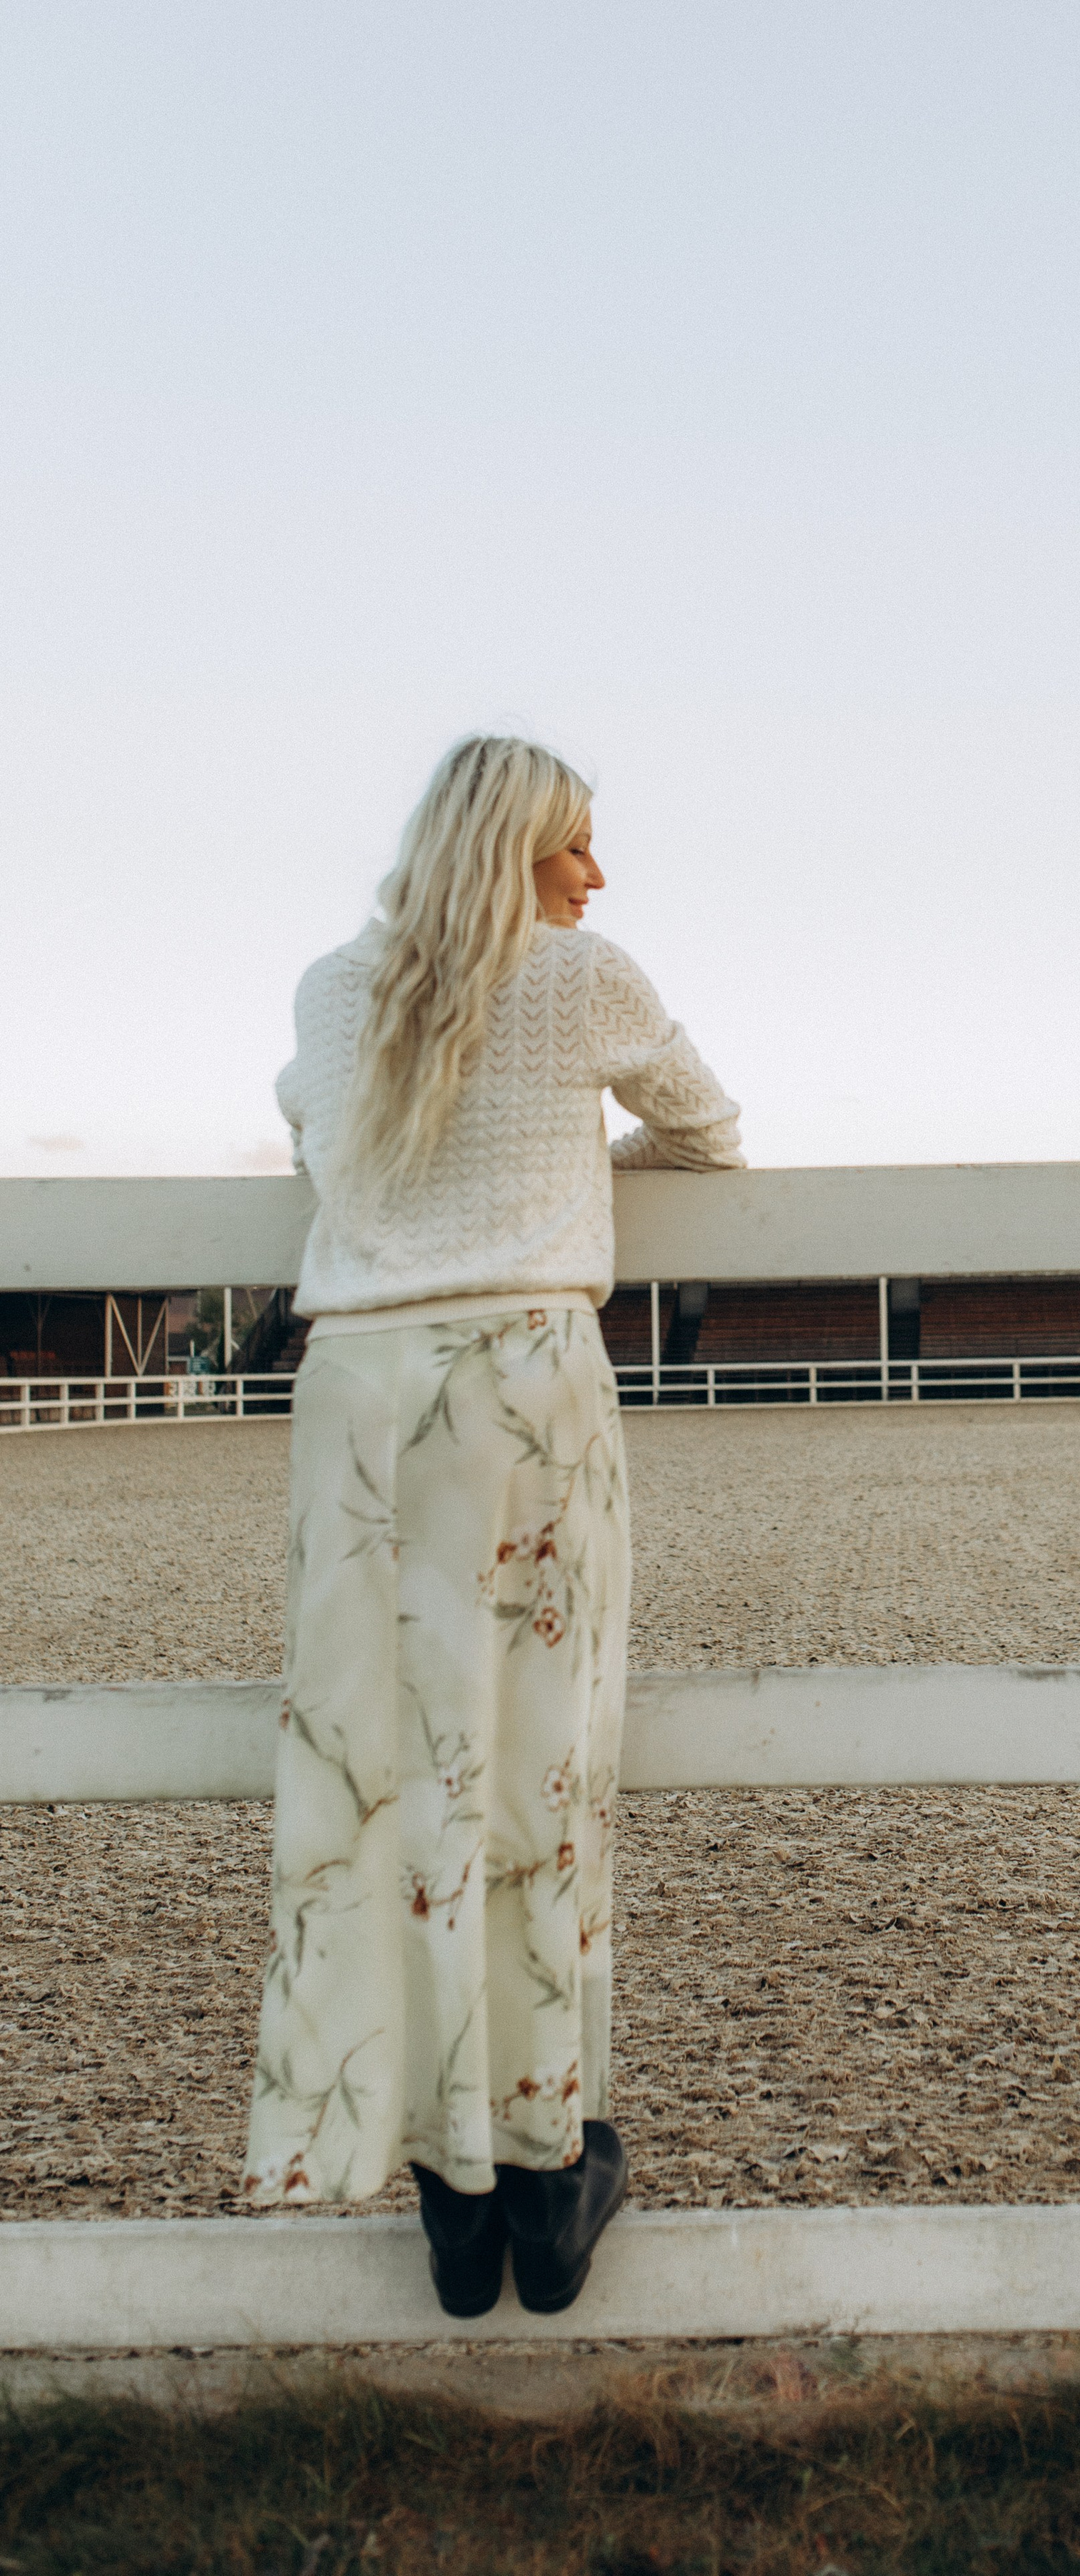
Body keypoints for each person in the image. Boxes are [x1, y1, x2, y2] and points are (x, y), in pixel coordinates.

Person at [241, 735, 743, 2317]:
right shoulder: (583, 977)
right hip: (524, 1379)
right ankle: (543, 2170)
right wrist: (563, 1158)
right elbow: (711, 1131)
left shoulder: (333, 986)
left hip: (364, 1391)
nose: (593, 878)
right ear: (507, 851)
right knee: (539, 1764)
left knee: (376, 1774)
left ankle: (442, 2186)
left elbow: (314, 1127)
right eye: (568, 847)